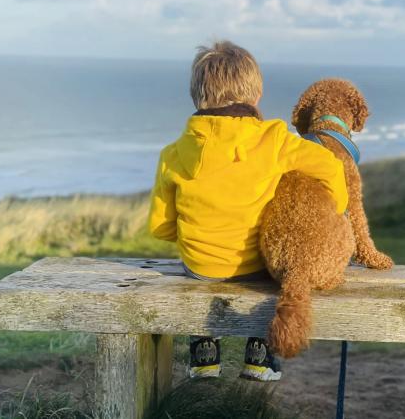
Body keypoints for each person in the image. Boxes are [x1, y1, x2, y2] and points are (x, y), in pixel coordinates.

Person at [148, 41, 348, 381]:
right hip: (258, 265)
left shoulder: (173, 153)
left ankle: (204, 352)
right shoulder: (274, 140)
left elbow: (161, 228)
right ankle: (260, 355)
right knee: (274, 272)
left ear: (197, 98)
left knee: (200, 271)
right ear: (256, 96)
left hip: (201, 267)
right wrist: (336, 210)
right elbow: (330, 166)